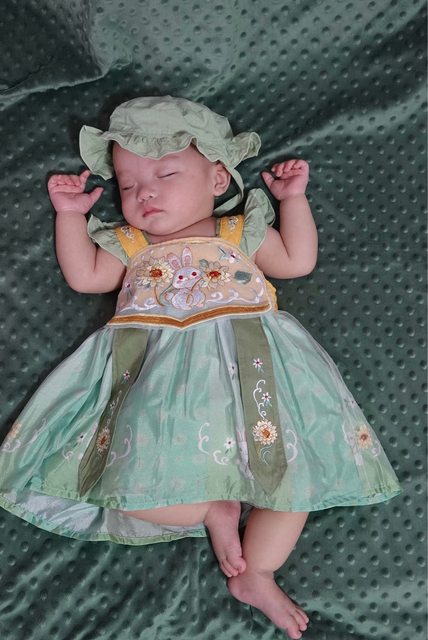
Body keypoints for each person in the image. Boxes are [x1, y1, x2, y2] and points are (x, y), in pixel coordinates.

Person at [0, 96, 400, 640]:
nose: (145, 192)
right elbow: (85, 277)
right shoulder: (131, 245)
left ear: (217, 179)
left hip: (256, 375)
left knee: (296, 475)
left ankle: (257, 572)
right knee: (124, 475)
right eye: (128, 183)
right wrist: (70, 216)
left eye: (165, 174)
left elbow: (297, 261)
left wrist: (294, 201)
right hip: (158, 383)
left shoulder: (238, 233)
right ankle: (210, 509)